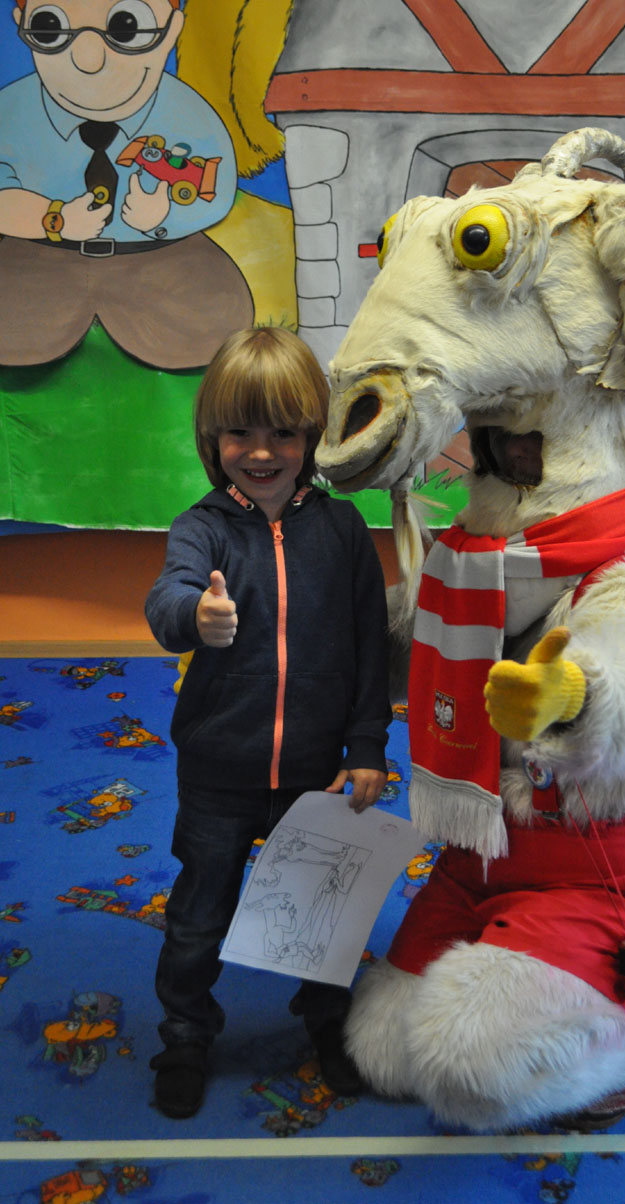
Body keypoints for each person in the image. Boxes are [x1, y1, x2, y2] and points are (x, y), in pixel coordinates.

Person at [145, 325, 391, 1118]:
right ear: (212, 438)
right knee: (198, 917)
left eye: (283, 432)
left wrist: (367, 748)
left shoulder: (344, 532)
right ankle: (186, 1034)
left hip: (316, 773)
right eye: (240, 433)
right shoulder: (203, 527)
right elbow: (167, 598)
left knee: (322, 913)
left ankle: (326, 1023)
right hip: (219, 773)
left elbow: (370, 650)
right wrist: (196, 615)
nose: (261, 452)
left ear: (314, 435)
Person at [0, 0, 253, 368]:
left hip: (160, 260)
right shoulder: (10, 111)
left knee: (217, 321)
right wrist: (53, 218)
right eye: (50, 27)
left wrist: (163, 218)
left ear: (172, 31)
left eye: (126, 27)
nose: (89, 60)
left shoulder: (191, 115)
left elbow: (216, 187)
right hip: (39, 261)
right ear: (21, 23)